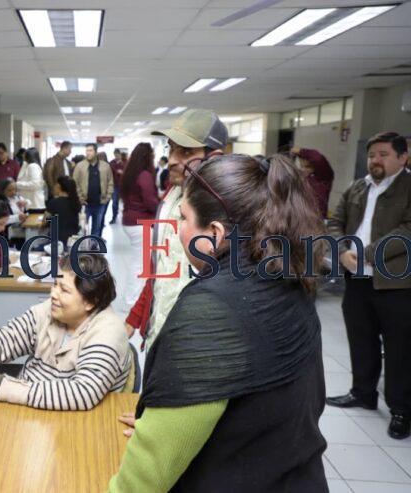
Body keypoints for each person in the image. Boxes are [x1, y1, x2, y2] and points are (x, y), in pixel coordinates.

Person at [110, 153, 328, 492]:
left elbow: (144, 480)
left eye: (183, 218)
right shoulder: (287, 279)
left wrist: (161, 440)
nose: (177, 229)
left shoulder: (212, 311)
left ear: (213, 233)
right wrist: (161, 423)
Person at [0, 254, 131, 410]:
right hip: (30, 409)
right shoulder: (50, 311)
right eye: (55, 285)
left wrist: (8, 389)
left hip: (74, 425)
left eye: (64, 290)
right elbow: (3, 340)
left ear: (90, 301)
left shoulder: (108, 332)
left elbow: (83, 393)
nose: (53, 294)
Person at [325, 131, 411, 440]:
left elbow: (408, 229)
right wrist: (340, 248)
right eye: (372, 154)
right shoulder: (358, 187)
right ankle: (363, 392)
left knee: (399, 348)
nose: (375, 159)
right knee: (361, 338)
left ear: (403, 157)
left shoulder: (407, 187)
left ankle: (401, 409)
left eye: (383, 154)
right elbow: (335, 221)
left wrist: (368, 253)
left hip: (396, 283)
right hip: (357, 278)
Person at [129, 109, 227, 350]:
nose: (172, 160)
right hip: (159, 335)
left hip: (199, 342)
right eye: (171, 149)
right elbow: (159, 271)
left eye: (185, 152)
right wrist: (133, 320)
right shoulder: (170, 198)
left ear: (212, 157)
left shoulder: (228, 211)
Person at [120, 143, 159, 308]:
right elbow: (150, 202)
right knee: (140, 264)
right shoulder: (145, 175)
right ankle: (131, 301)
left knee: (138, 262)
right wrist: (162, 206)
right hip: (140, 223)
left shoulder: (131, 173)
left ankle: (133, 299)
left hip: (129, 221)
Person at [74, 143, 114, 238]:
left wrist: (107, 197)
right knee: (82, 228)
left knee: (97, 228)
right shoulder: (80, 166)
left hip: (100, 203)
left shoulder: (105, 166)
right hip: (84, 204)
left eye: (90, 150)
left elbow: (110, 183)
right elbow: (75, 183)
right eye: (87, 151)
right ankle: (83, 248)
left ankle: (94, 248)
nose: (88, 153)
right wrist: (80, 197)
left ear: (96, 152)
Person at [291, 147, 334, 219]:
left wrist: (301, 151)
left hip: (317, 221)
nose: (303, 170)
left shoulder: (323, 177)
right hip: (300, 220)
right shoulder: (299, 178)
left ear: (315, 167)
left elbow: (318, 158)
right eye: (301, 166)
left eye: (308, 167)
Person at [46, 176, 82, 248]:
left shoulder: (53, 202)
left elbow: (46, 220)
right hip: (72, 239)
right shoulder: (75, 202)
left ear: (59, 187)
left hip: (56, 240)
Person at [110, 149, 126, 224]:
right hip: (114, 185)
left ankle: (125, 218)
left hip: (123, 185)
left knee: (126, 202)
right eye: (115, 154)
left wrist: (123, 173)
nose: (117, 156)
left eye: (118, 154)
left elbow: (128, 173)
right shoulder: (112, 163)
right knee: (114, 202)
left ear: (120, 154)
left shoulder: (125, 163)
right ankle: (114, 217)